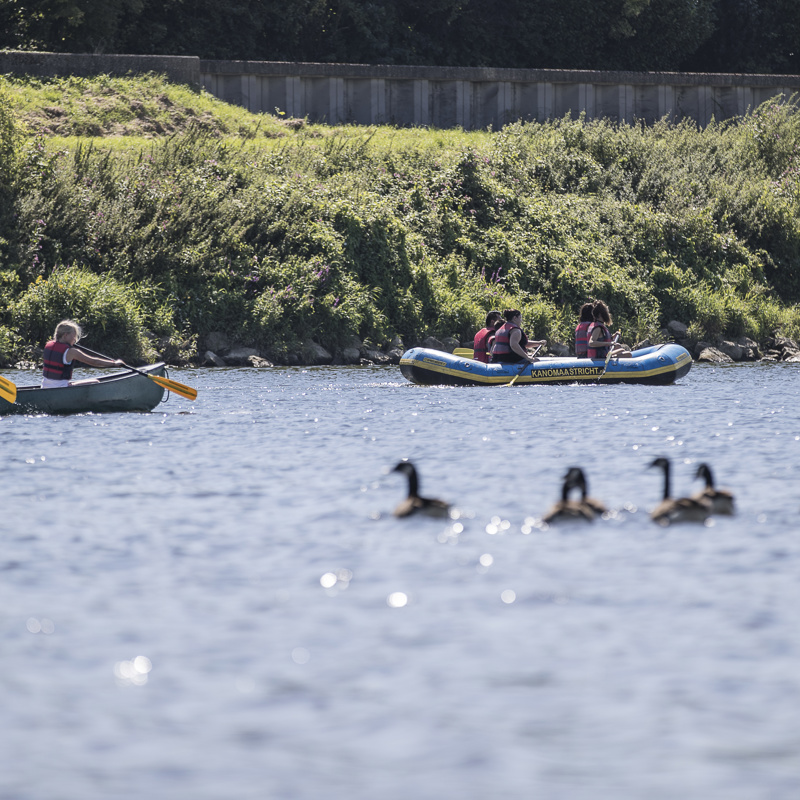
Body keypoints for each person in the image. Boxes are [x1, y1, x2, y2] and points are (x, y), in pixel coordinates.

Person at [42, 320, 125, 388]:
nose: (74, 340)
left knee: (74, 383)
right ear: (65, 335)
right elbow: (94, 362)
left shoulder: (48, 345)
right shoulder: (72, 352)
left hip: (44, 388)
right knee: (95, 382)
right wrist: (114, 363)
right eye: (73, 336)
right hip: (61, 389)